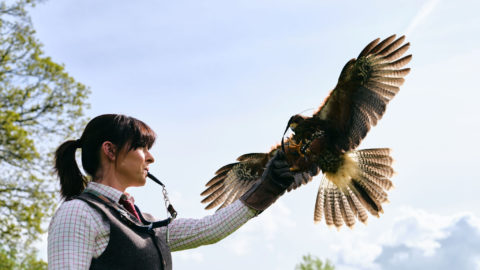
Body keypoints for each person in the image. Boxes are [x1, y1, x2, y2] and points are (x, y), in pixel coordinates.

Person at [48, 114, 294, 270]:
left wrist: (269, 186)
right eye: (142, 147)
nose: (151, 157)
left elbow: (210, 229)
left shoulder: (145, 224)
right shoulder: (78, 213)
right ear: (110, 151)